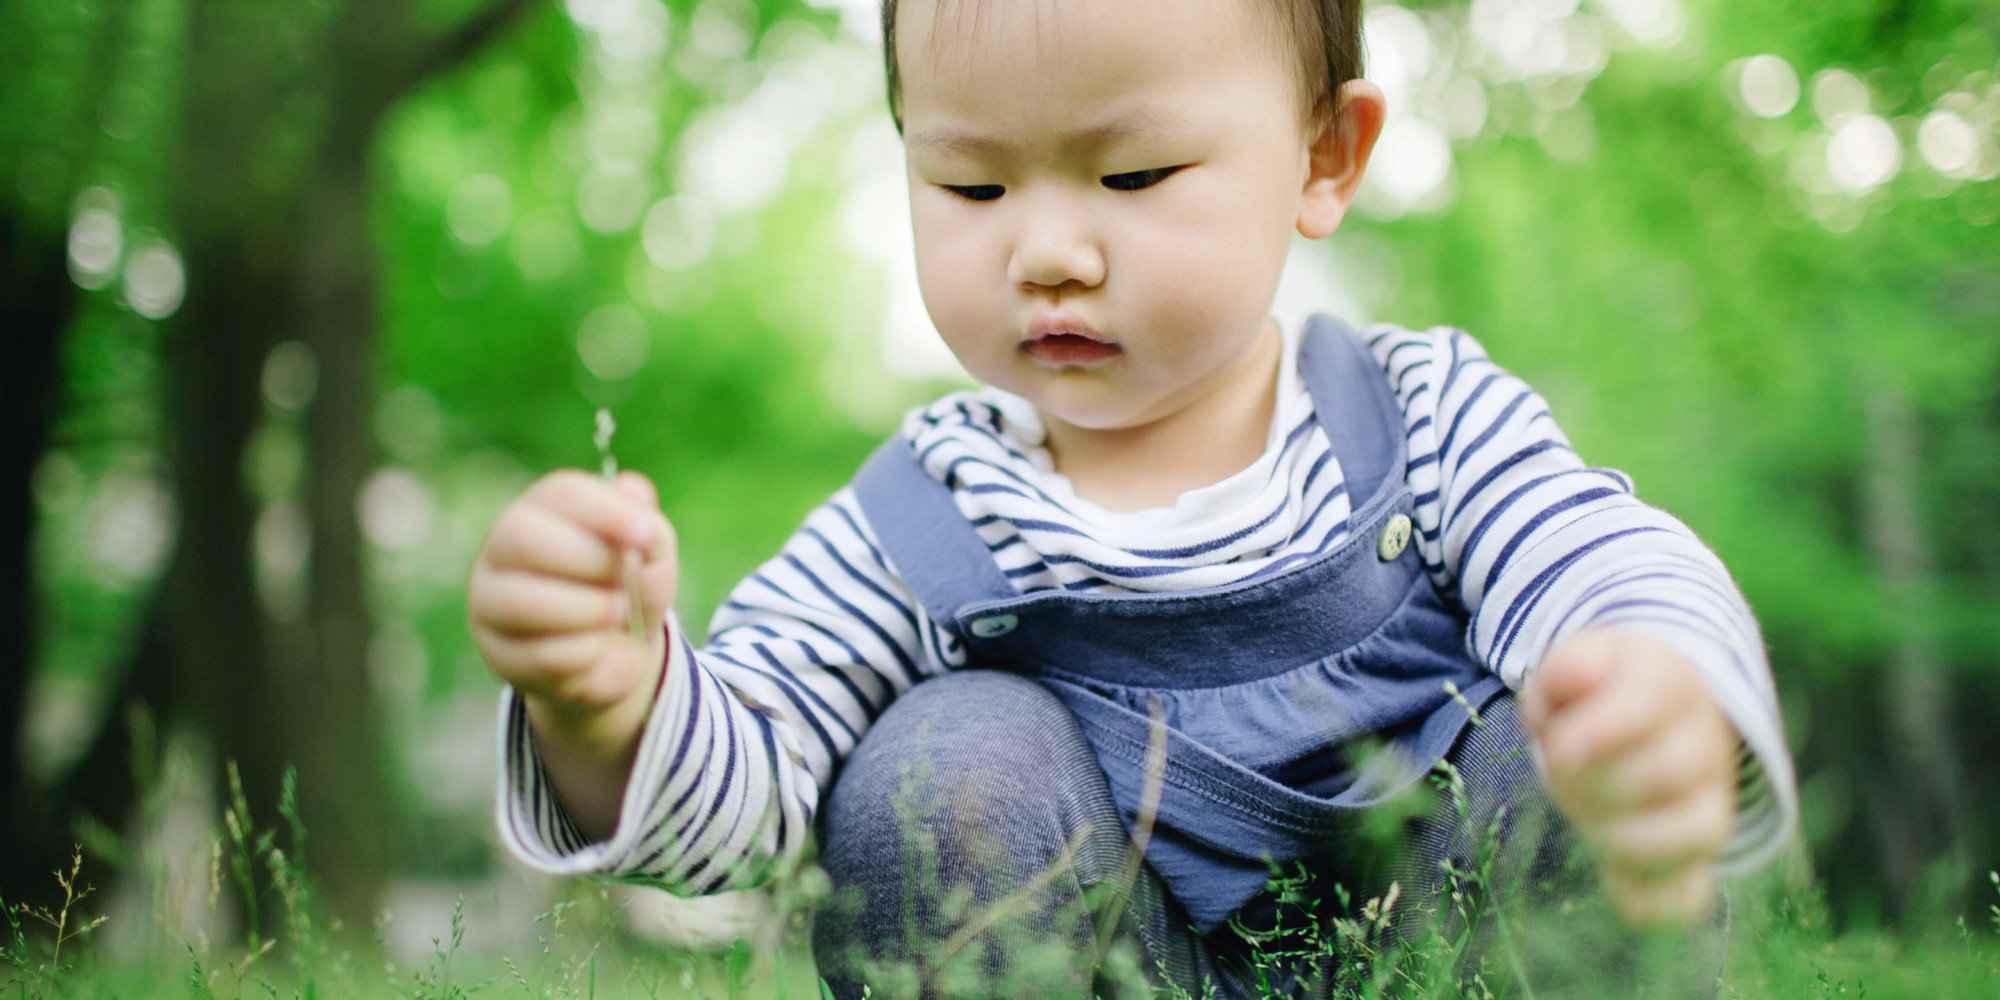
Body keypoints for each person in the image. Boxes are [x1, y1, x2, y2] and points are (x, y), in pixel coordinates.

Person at [467, 0, 1798, 994]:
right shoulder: (926, 518)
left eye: (1134, 176)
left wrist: (1654, 690)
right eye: (972, 184)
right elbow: (747, 804)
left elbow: (1603, 561)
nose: (1047, 249)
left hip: (1451, 958)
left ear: (1325, 157)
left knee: (1554, 740)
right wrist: (605, 702)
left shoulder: (1422, 423)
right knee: (939, 765)